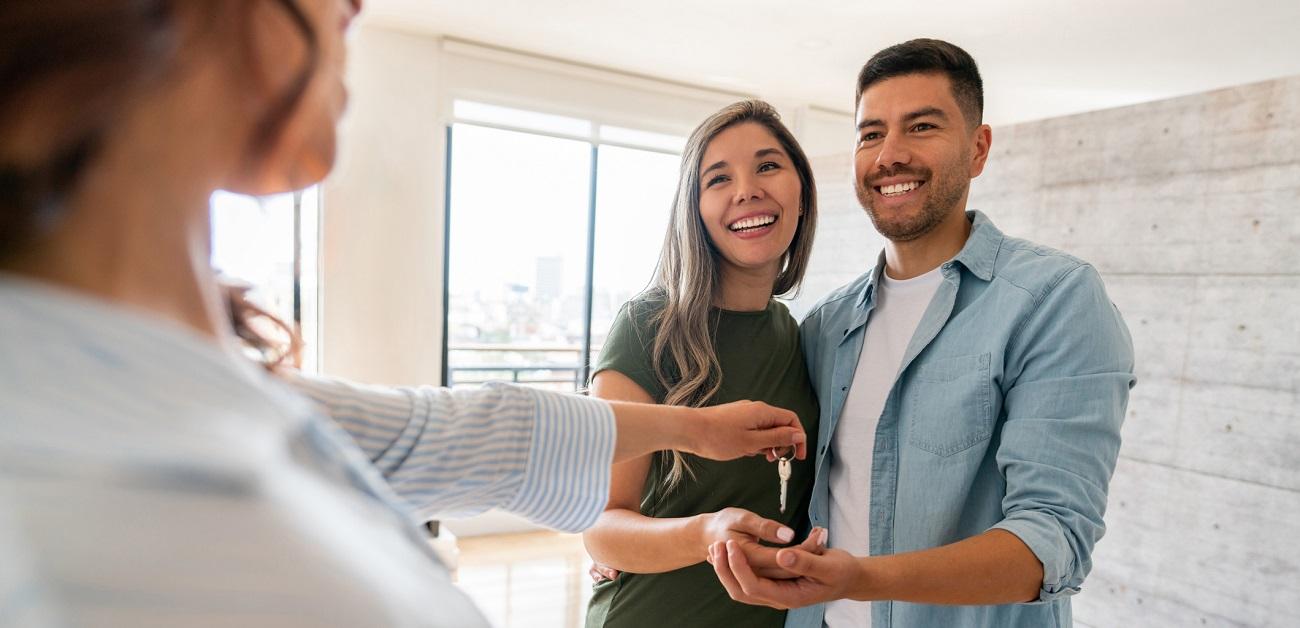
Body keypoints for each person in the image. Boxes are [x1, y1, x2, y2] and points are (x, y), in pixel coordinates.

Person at [0, 1, 807, 626]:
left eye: (771, 165)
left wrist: (694, 429)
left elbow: (456, 432)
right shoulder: (75, 515)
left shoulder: (187, 383)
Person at [708, 39, 1136, 628]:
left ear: (978, 148)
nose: (890, 155)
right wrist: (627, 535)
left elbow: (1052, 541)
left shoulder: (1054, 298)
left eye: (922, 127)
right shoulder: (825, 325)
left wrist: (861, 577)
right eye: (870, 133)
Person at [580, 101, 821, 628]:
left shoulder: (803, 337)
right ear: (696, 210)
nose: (746, 190)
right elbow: (599, 527)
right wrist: (707, 534)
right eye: (718, 178)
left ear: (801, 193)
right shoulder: (647, 326)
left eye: (767, 166)